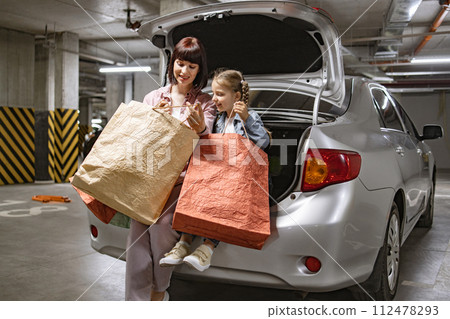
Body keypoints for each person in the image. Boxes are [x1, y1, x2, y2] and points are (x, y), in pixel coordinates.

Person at [125, 37, 216, 301]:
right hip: (149, 179)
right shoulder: (153, 97)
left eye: (192, 67)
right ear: (172, 63)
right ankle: (135, 303)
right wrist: (153, 118)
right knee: (137, 237)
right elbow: (138, 138)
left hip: (182, 182)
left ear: (200, 71)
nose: (184, 71)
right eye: (180, 63)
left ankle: (158, 292)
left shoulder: (205, 102)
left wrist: (199, 127)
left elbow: (207, 139)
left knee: (163, 226)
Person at [159, 68, 270, 272]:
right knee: (194, 191)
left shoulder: (248, 116)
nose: (214, 98)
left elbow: (263, 143)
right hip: (219, 174)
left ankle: (207, 249)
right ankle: (183, 243)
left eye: (220, 94)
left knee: (222, 200)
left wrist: (247, 119)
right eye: (213, 93)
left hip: (239, 179)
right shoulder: (219, 120)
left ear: (236, 96)